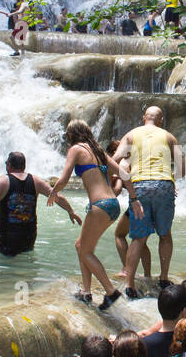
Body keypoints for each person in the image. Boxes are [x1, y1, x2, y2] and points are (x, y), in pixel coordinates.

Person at [47, 119, 138, 309]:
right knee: (81, 246)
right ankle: (86, 292)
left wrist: (54, 192)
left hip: (99, 205)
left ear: (72, 134)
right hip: (113, 204)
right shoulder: (97, 151)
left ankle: (111, 292)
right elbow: (125, 174)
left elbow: (63, 178)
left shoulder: (76, 150)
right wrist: (134, 198)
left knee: (85, 250)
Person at [0, 152, 82, 256]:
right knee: (26, 265)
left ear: (8, 165)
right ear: (24, 166)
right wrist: (71, 211)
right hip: (29, 235)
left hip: (8, 237)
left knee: (7, 270)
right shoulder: (36, 181)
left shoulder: (3, 181)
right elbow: (57, 196)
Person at [114, 105, 182, 298]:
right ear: (161, 120)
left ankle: (129, 285)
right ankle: (164, 278)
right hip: (164, 185)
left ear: (144, 118)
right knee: (165, 234)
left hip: (140, 186)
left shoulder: (131, 134)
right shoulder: (169, 137)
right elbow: (182, 169)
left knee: (138, 237)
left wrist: (114, 177)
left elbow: (116, 158)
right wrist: (171, 179)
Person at [107, 139, 151, 282]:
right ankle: (147, 275)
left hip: (138, 202)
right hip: (152, 197)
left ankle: (127, 269)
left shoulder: (122, 163)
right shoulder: (136, 159)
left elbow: (118, 189)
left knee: (119, 234)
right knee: (141, 239)